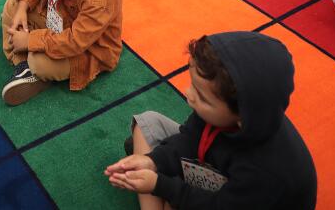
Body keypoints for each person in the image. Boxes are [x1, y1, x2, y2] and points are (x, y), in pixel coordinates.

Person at [108, 32, 317, 209]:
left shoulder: (265, 172)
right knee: (149, 123)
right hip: (216, 174)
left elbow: (218, 205)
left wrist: (160, 185)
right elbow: (189, 137)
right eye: (193, 86)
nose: (188, 94)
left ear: (242, 117)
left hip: (235, 202)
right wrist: (153, 160)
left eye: (202, 97)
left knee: (171, 190)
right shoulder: (236, 113)